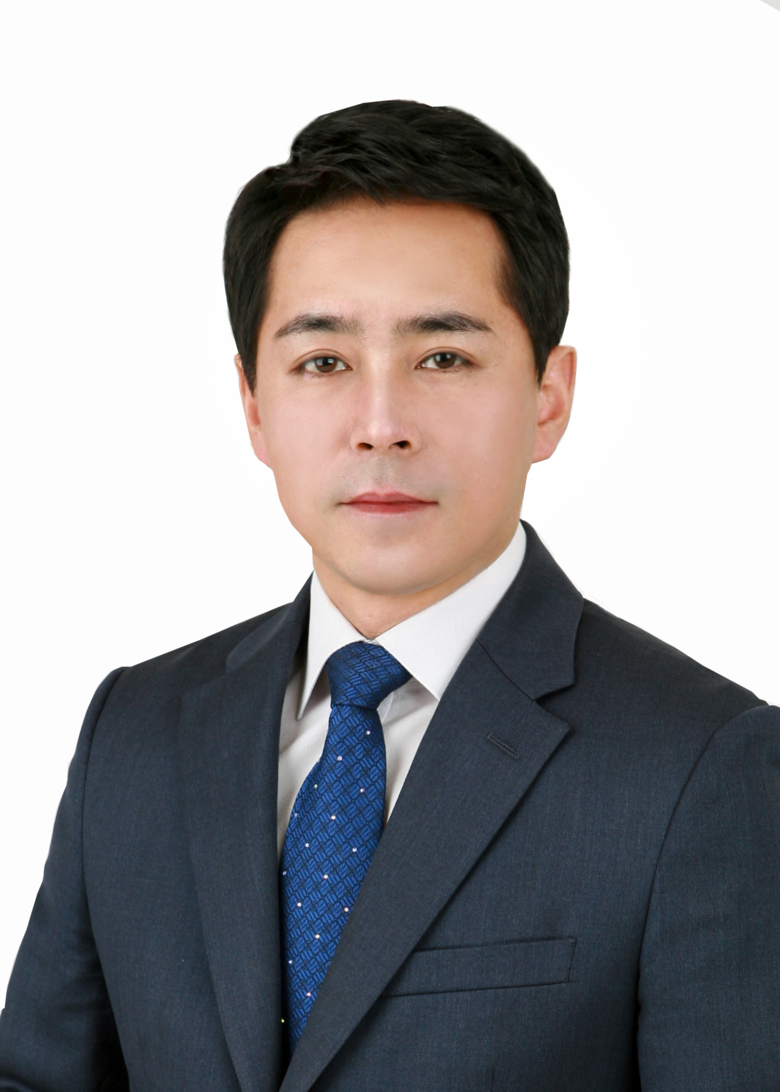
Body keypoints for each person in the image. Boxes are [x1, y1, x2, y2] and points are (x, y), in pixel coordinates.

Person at [0, 99, 777, 1092]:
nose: (380, 423)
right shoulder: (137, 729)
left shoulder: (704, 765)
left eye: (443, 357)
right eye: (322, 362)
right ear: (254, 406)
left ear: (549, 396)